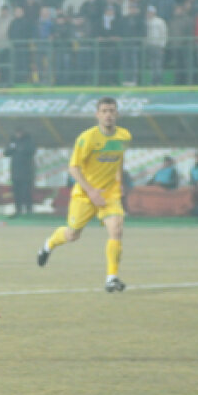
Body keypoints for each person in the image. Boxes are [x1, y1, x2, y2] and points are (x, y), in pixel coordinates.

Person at [36, 97, 132, 292]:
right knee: (72, 235)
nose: (108, 115)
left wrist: (119, 182)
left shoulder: (124, 136)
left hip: (109, 194)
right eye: (104, 111)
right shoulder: (87, 138)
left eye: (111, 111)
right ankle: (49, 244)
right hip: (85, 195)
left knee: (116, 229)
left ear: (117, 114)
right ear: (97, 115)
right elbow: (73, 168)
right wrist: (91, 191)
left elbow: (119, 160)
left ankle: (111, 278)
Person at [5, 130, 36, 216]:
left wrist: (21, 149)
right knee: (16, 193)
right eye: (17, 133)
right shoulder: (12, 142)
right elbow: (6, 152)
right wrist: (13, 148)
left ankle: (29, 209)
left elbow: (32, 151)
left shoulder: (28, 142)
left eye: (20, 133)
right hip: (15, 173)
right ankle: (18, 210)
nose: (18, 134)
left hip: (26, 173)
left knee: (26, 192)